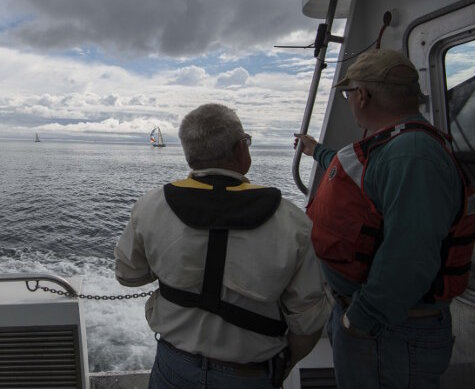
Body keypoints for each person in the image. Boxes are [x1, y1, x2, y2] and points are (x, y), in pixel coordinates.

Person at [295, 48, 475, 389]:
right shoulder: (397, 146)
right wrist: (316, 150)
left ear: (362, 96)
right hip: (382, 327)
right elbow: (359, 175)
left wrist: (358, 321)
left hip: (389, 332)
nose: (350, 101)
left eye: (349, 93)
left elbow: (409, 259)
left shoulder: (413, 156)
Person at [116, 103, 330, 389]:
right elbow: (309, 320)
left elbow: (128, 276)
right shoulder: (290, 220)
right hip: (250, 375)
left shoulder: (151, 207)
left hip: (173, 366)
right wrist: (282, 365)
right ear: (241, 149)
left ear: (189, 154)